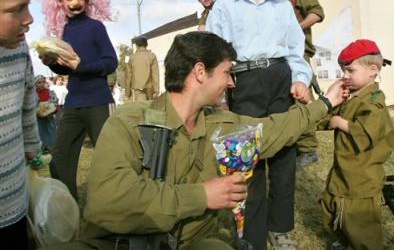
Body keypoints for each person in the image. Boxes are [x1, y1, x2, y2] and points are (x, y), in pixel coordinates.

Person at [40, 31, 347, 250]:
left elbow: (274, 129)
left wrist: (325, 104)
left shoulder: (222, 126)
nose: (232, 82)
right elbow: (108, 203)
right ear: (200, 71)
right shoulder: (128, 122)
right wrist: (201, 195)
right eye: (227, 72)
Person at [206, 0, 311, 249]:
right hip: (244, 84)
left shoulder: (283, 7)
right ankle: (251, 234)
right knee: (248, 161)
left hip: (280, 80)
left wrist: (301, 79)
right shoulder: (224, 6)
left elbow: (296, 50)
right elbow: (214, 55)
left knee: (283, 157)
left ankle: (280, 229)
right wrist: (221, 98)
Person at [38, 0, 118, 200]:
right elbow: (67, 68)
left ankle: (112, 205)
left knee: (109, 157)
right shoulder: (65, 30)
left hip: (98, 101)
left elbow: (110, 61)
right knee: (60, 156)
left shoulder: (95, 27)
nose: (76, 2)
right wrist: (53, 63)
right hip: (73, 103)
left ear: (88, 0)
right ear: (60, 1)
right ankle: (66, 205)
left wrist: (80, 66)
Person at [319, 39, 393, 250]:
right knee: (331, 208)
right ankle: (344, 242)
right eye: (344, 70)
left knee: (361, 225)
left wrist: (340, 122)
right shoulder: (353, 98)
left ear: (372, 70)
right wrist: (329, 103)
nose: (345, 76)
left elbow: (364, 135)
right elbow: (324, 120)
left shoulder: (373, 103)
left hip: (361, 179)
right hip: (343, 174)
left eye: (350, 70)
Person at [0, 0, 42, 248]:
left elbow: (28, 99)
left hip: (13, 196)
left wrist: (31, 144)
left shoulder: (17, 49)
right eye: (18, 9)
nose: (29, 18)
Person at [277, 0, 325, 167]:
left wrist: (297, 28)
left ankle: (308, 148)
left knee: (301, 98)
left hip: (297, 53)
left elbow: (317, 12)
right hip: (277, 54)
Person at [125, 35, 159, 102]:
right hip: (150, 88)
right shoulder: (152, 56)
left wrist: (127, 93)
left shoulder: (131, 58)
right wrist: (156, 90)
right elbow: (155, 74)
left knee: (141, 109)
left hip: (138, 89)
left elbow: (128, 76)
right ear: (146, 45)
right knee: (150, 109)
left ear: (136, 45)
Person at [35, 74, 58, 151]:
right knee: (39, 134)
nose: (41, 84)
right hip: (37, 120)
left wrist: (52, 109)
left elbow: (55, 105)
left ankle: (49, 149)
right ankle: (40, 149)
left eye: (43, 82)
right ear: (35, 83)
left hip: (49, 119)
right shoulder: (33, 95)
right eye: (39, 82)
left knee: (50, 134)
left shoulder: (50, 93)